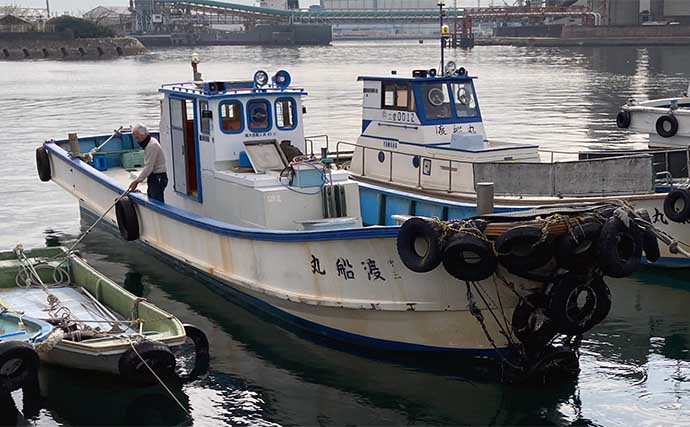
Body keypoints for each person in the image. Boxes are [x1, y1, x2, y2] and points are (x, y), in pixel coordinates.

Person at [128, 124, 168, 203]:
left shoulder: (151, 146)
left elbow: (149, 167)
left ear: (144, 135)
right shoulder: (149, 142)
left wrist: (137, 181)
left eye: (138, 138)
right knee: (151, 197)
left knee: (156, 200)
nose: (137, 141)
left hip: (158, 177)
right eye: (135, 138)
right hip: (153, 176)